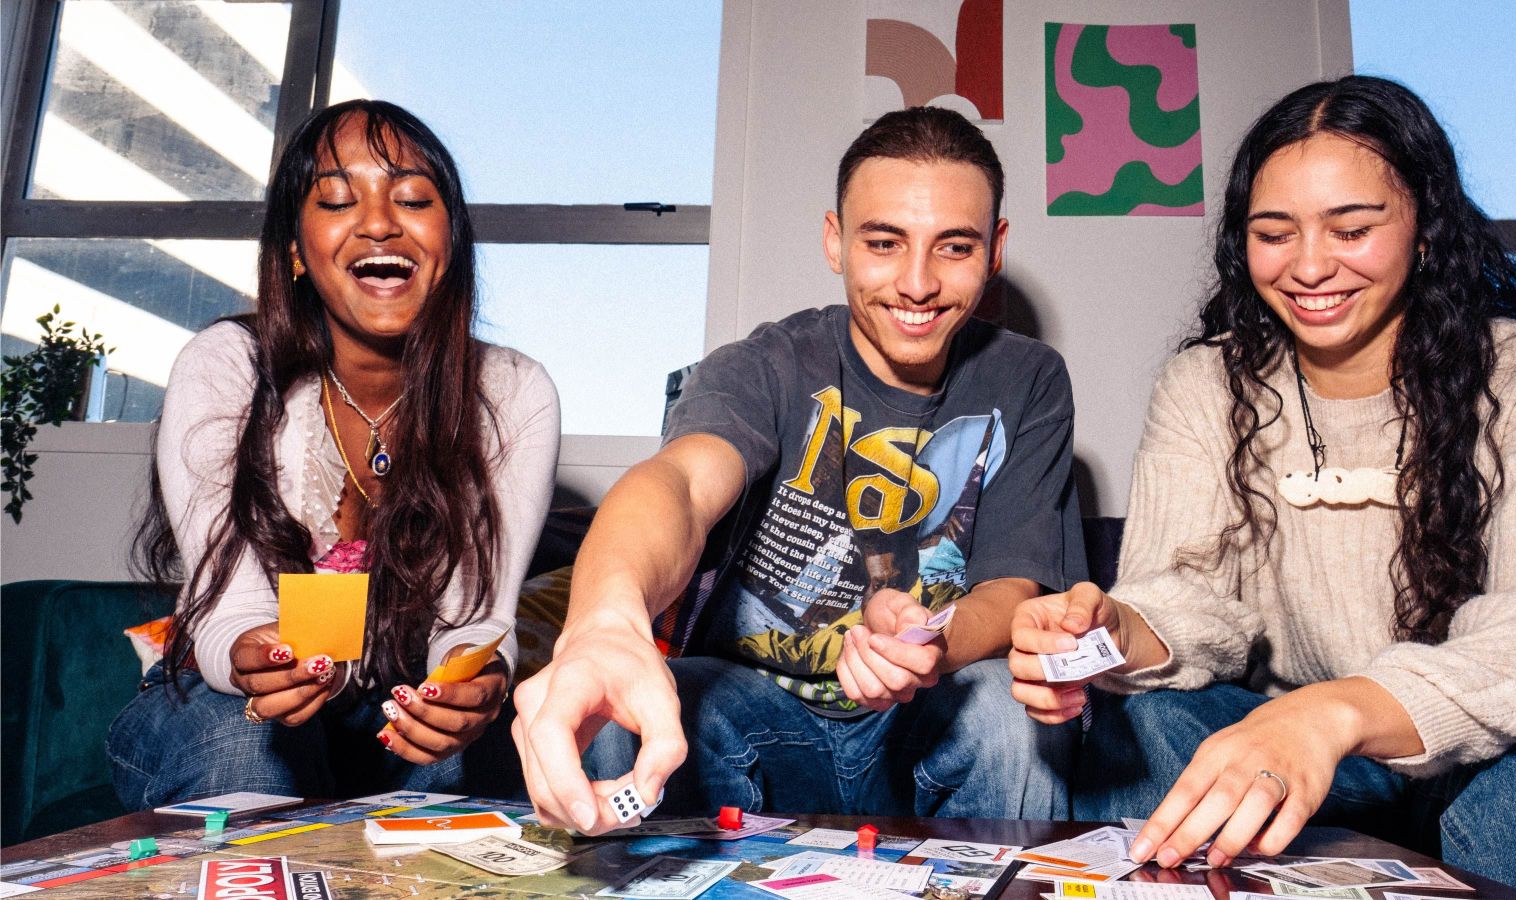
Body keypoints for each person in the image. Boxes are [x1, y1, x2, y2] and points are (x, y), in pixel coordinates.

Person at [1008, 75, 1516, 898]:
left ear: (1426, 226)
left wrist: (1334, 712)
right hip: (1307, 757)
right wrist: (1111, 628)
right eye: (1274, 233)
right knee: (1148, 724)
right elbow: (1192, 598)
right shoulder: (1206, 385)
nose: (1310, 266)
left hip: (1488, 754)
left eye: (1352, 228)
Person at [514, 106, 1084, 832]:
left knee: (1012, 714)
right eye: (884, 242)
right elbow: (681, 486)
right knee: (627, 713)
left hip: (924, 714)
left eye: (954, 248)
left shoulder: (1028, 378)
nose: (917, 283)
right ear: (835, 241)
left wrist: (928, 642)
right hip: (753, 709)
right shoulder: (766, 364)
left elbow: (1013, 585)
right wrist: (602, 621)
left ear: (995, 248)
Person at [107, 100, 560, 808]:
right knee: (240, 737)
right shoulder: (229, 367)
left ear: (451, 239)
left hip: (392, 706)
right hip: (222, 703)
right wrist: (254, 654)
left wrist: (471, 688)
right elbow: (230, 611)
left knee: (488, 758)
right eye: (338, 200)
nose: (380, 222)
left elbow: (474, 621)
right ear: (295, 247)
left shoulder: (511, 393)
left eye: (412, 197)